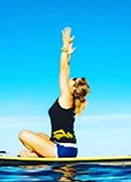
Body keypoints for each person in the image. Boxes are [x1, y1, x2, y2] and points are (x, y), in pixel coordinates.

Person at [18, 26, 90, 158]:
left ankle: (36, 156)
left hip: (62, 150)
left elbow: (62, 70)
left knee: (23, 134)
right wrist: (68, 55)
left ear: (73, 88)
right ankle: (36, 155)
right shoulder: (70, 99)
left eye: (73, 79)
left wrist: (64, 46)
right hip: (66, 148)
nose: (70, 78)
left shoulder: (67, 97)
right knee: (39, 135)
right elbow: (66, 69)